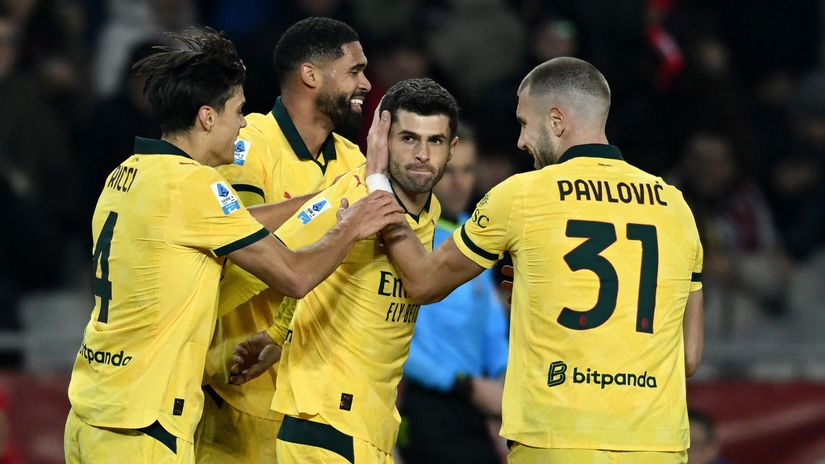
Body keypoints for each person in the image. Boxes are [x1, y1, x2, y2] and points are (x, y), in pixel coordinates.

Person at [63, 28, 403, 464]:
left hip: (91, 409)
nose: (243, 124)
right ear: (207, 117)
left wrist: (333, 194)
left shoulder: (125, 174)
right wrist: (350, 221)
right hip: (142, 423)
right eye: (238, 111)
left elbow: (220, 239)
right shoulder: (194, 186)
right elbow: (294, 275)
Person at [375, 57, 705, 463]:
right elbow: (688, 356)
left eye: (524, 123)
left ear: (556, 120)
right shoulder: (676, 208)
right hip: (659, 445)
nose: (520, 140)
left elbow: (423, 282)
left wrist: (377, 186)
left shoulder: (523, 196)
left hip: (557, 439)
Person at [230, 78, 460, 464]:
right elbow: (261, 246)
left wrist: (277, 334)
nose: (422, 154)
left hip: (371, 428)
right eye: (408, 139)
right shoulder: (351, 194)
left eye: (434, 141)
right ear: (382, 140)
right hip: (324, 424)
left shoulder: (430, 211)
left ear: (452, 149)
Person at [195, 17, 372, 463]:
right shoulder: (245, 144)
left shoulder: (354, 159)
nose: (367, 83)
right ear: (311, 75)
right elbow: (240, 240)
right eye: (354, 70)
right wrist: (333, 205)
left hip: (319, 408)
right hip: (242, 400)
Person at [397, 123, 509, 464]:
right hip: (426, 401)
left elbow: (492, 335)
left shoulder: (476, 238)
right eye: (450, 172)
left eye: (468, 170)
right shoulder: (406, 237)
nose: (460, 182)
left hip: (474, 407)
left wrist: (501, 398)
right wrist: (464, 384)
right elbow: (395, 337)